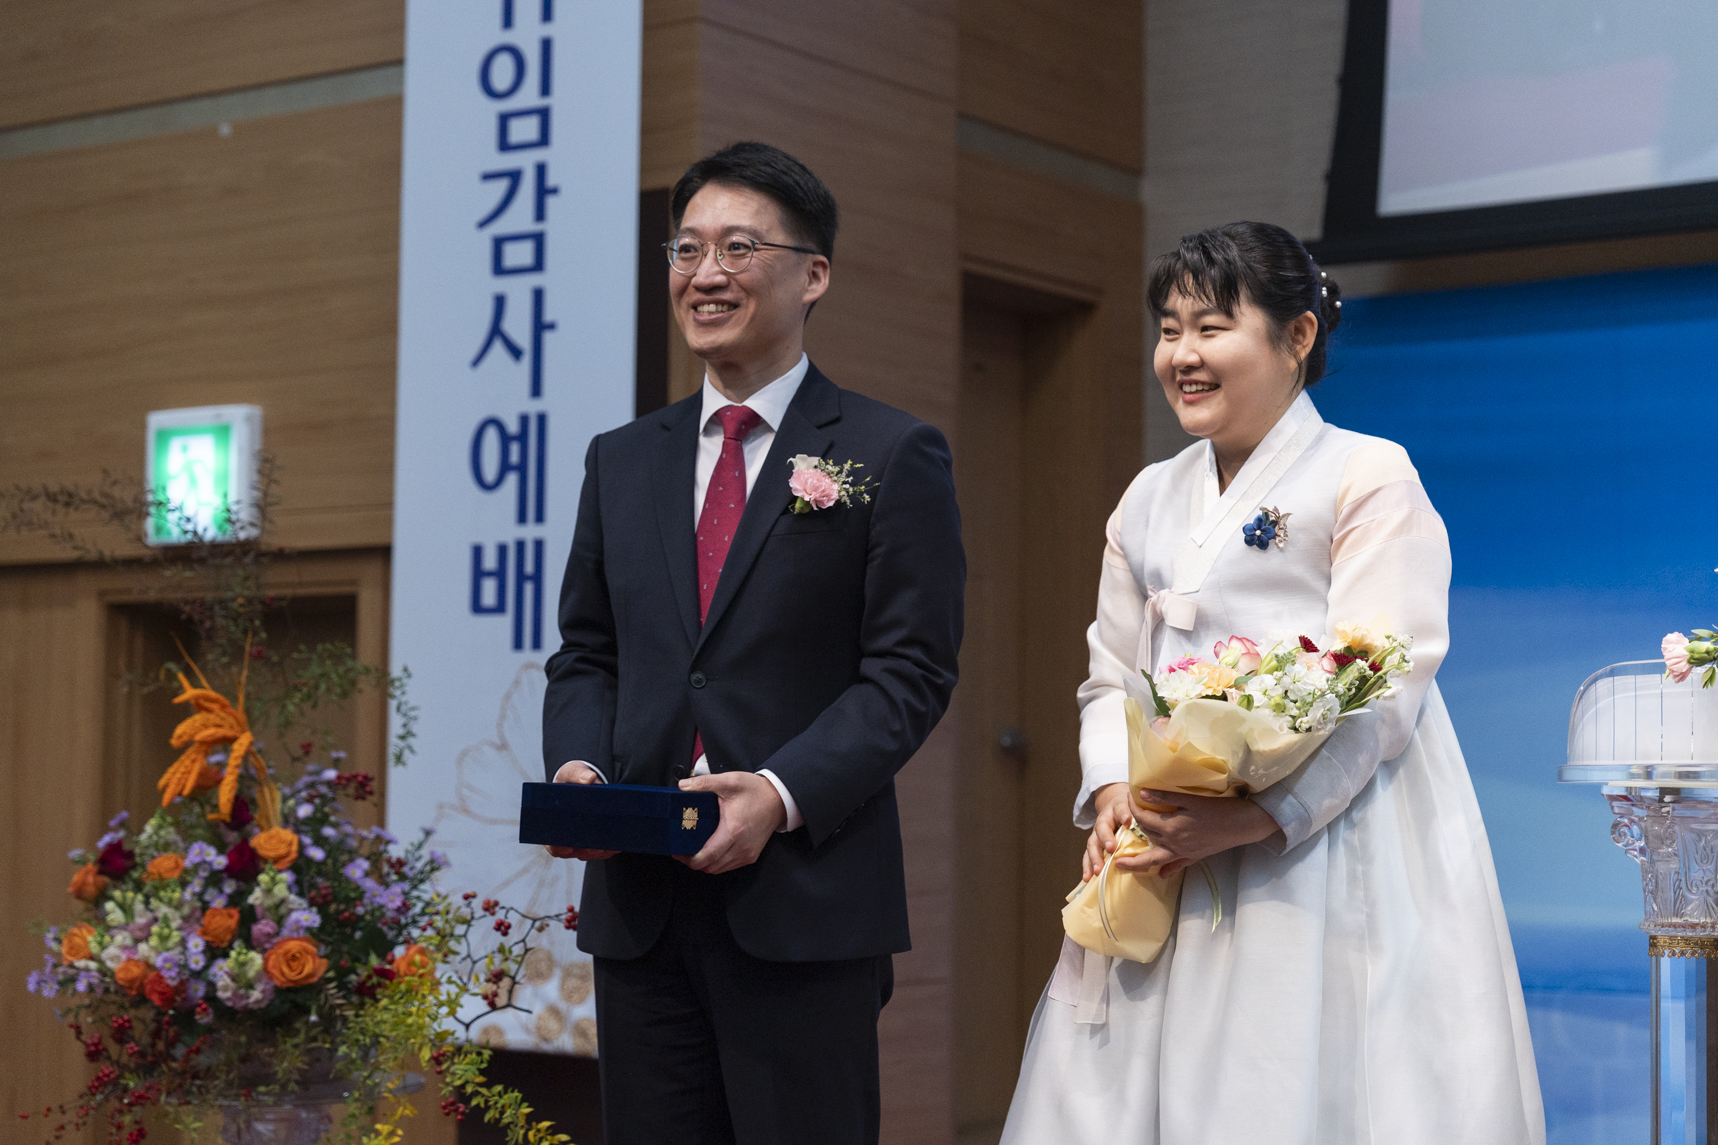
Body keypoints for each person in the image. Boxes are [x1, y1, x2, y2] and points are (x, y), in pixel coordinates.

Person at [999, 222, 1544, 1144]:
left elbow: (1384, 682)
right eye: (1169, 330)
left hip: (1323, 835)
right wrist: (1116, 792)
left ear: (1297, 336)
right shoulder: (1147, 496)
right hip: (1165, 838)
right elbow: (1111, 676)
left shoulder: (1367, 472)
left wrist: (1257, 818)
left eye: (1212, 327)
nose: (1182, 355)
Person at [541, 142, 964, 1145]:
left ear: (812, 275)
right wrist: (582, 768)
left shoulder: (889, 451)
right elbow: (588, 651)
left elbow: (909, 673)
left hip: (802, 900)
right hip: (641, 903)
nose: (706, 273)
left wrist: (776, 793)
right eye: (686, 249)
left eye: (739, 247)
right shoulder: (621, 458)